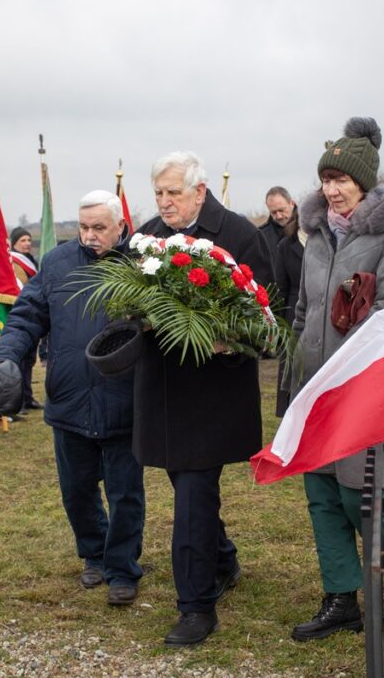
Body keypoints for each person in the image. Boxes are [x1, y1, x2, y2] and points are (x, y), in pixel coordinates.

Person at [288, 117, 384, 642]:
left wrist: (357, 355)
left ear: (363, 182)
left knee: (360, 490)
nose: (332, 189)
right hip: (314, 383)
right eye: (326, 179)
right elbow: (303, 310)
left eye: (341, 180)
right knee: (321, 492)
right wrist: (294, 374)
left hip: (363, 384)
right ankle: (341, 596)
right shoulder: (317, 234)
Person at [134, 151, 273, 647]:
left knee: (192, 495)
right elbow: (130, 299)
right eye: (159, 194)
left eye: (173, 193)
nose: (165, 203)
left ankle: (196, 608)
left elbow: (266, 313)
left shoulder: (238, 235)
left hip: (213, 395)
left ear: (199, 190)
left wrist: (225, 338)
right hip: (164, 392)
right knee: (187, 487)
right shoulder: (148, 234)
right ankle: (223, 558)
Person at [0, 190, 145, 606]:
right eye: (83, 227)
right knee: (76, 489)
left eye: (99, 228)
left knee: (125, 492)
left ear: (121, 227)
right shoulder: (56, 263)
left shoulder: (144, 266)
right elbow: (26, 316)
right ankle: (93, 552)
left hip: (123, 399)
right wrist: (3, 357)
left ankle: (123, 567)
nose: (89, 236)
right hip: (70, 397)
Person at [273, 194, 305, 417]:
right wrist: (278, 325)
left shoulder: (327, 242)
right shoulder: (286, 245)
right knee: (291, 369)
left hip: (322, 312)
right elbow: (280, 288)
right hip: (293, 311)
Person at [9, 226, 44, 413]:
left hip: (34, 315)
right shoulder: (12, 263)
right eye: (22, 240)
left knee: (29, 360)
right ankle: (19, 401)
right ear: (14, 243)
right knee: (20, 361)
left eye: (29, 240)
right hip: (22, 315)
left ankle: (28, 397)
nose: (27, 243)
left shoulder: (31, 261)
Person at [259, 186, 298, 257]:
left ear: (292, 203)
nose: (278, 216)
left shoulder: (307, 230)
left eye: (281, 210)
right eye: (273, 212)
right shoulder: (262, 236)